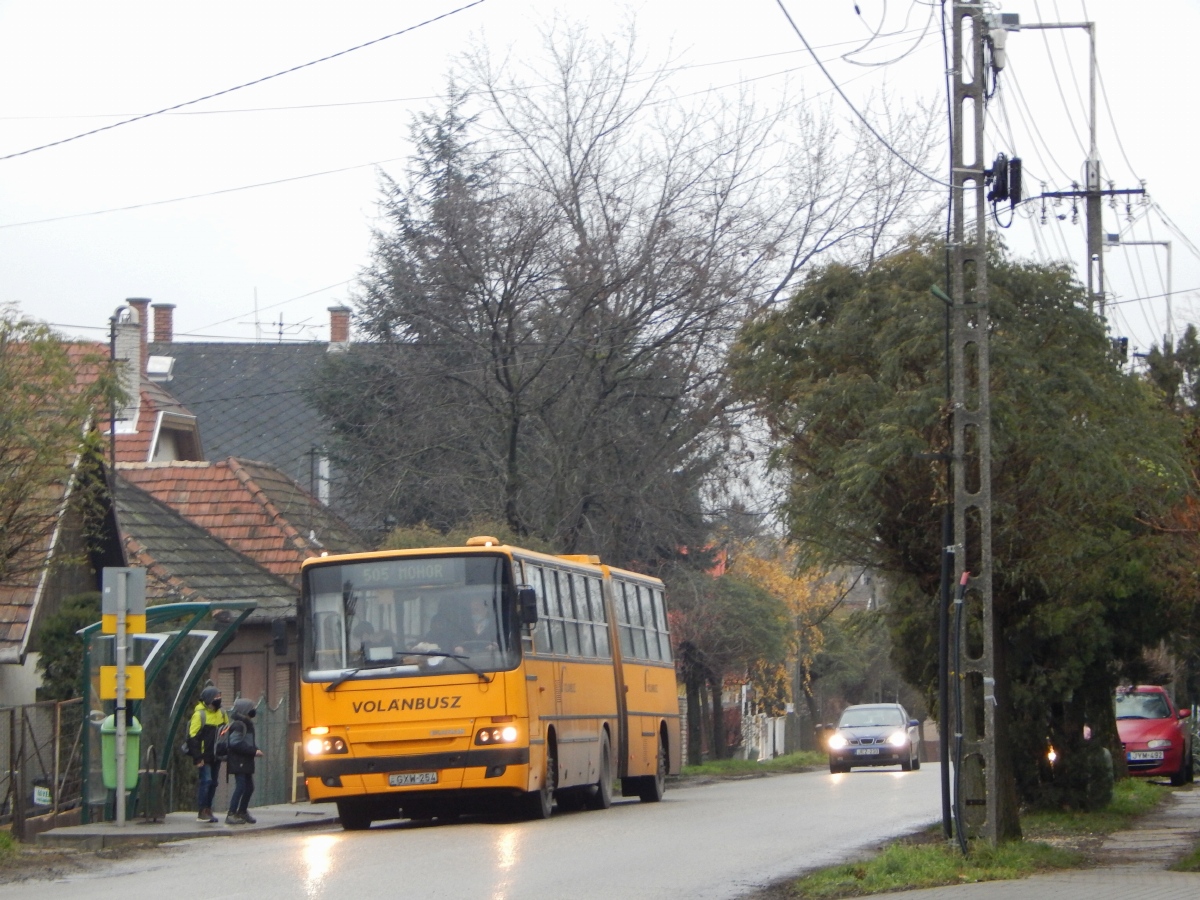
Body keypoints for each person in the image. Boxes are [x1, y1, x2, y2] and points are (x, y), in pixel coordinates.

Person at [187, 685, 228, 823]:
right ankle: (202, 810)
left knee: (214, 782)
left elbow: (226, 731)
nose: (218, 699)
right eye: (216, 697)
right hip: (204, 756)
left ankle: (208, 809)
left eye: (219, 697)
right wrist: (198, 757)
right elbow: (192, 737)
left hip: (216, 755)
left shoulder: (222, 713)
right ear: (208, 699)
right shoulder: (199, 715)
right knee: (206, 781)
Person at [224, 697, 264, 825]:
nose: (253, 711)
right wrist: (253, 751)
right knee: (241, 786)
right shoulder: (239, 725)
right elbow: (234, 743)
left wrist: (254, 749)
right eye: (251, 708)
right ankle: (231, 813)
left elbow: (247, 742)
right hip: (238, 761)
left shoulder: (246, 724)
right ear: (245, 710)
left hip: (245, 760)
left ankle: (242, 811)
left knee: (249, 787)